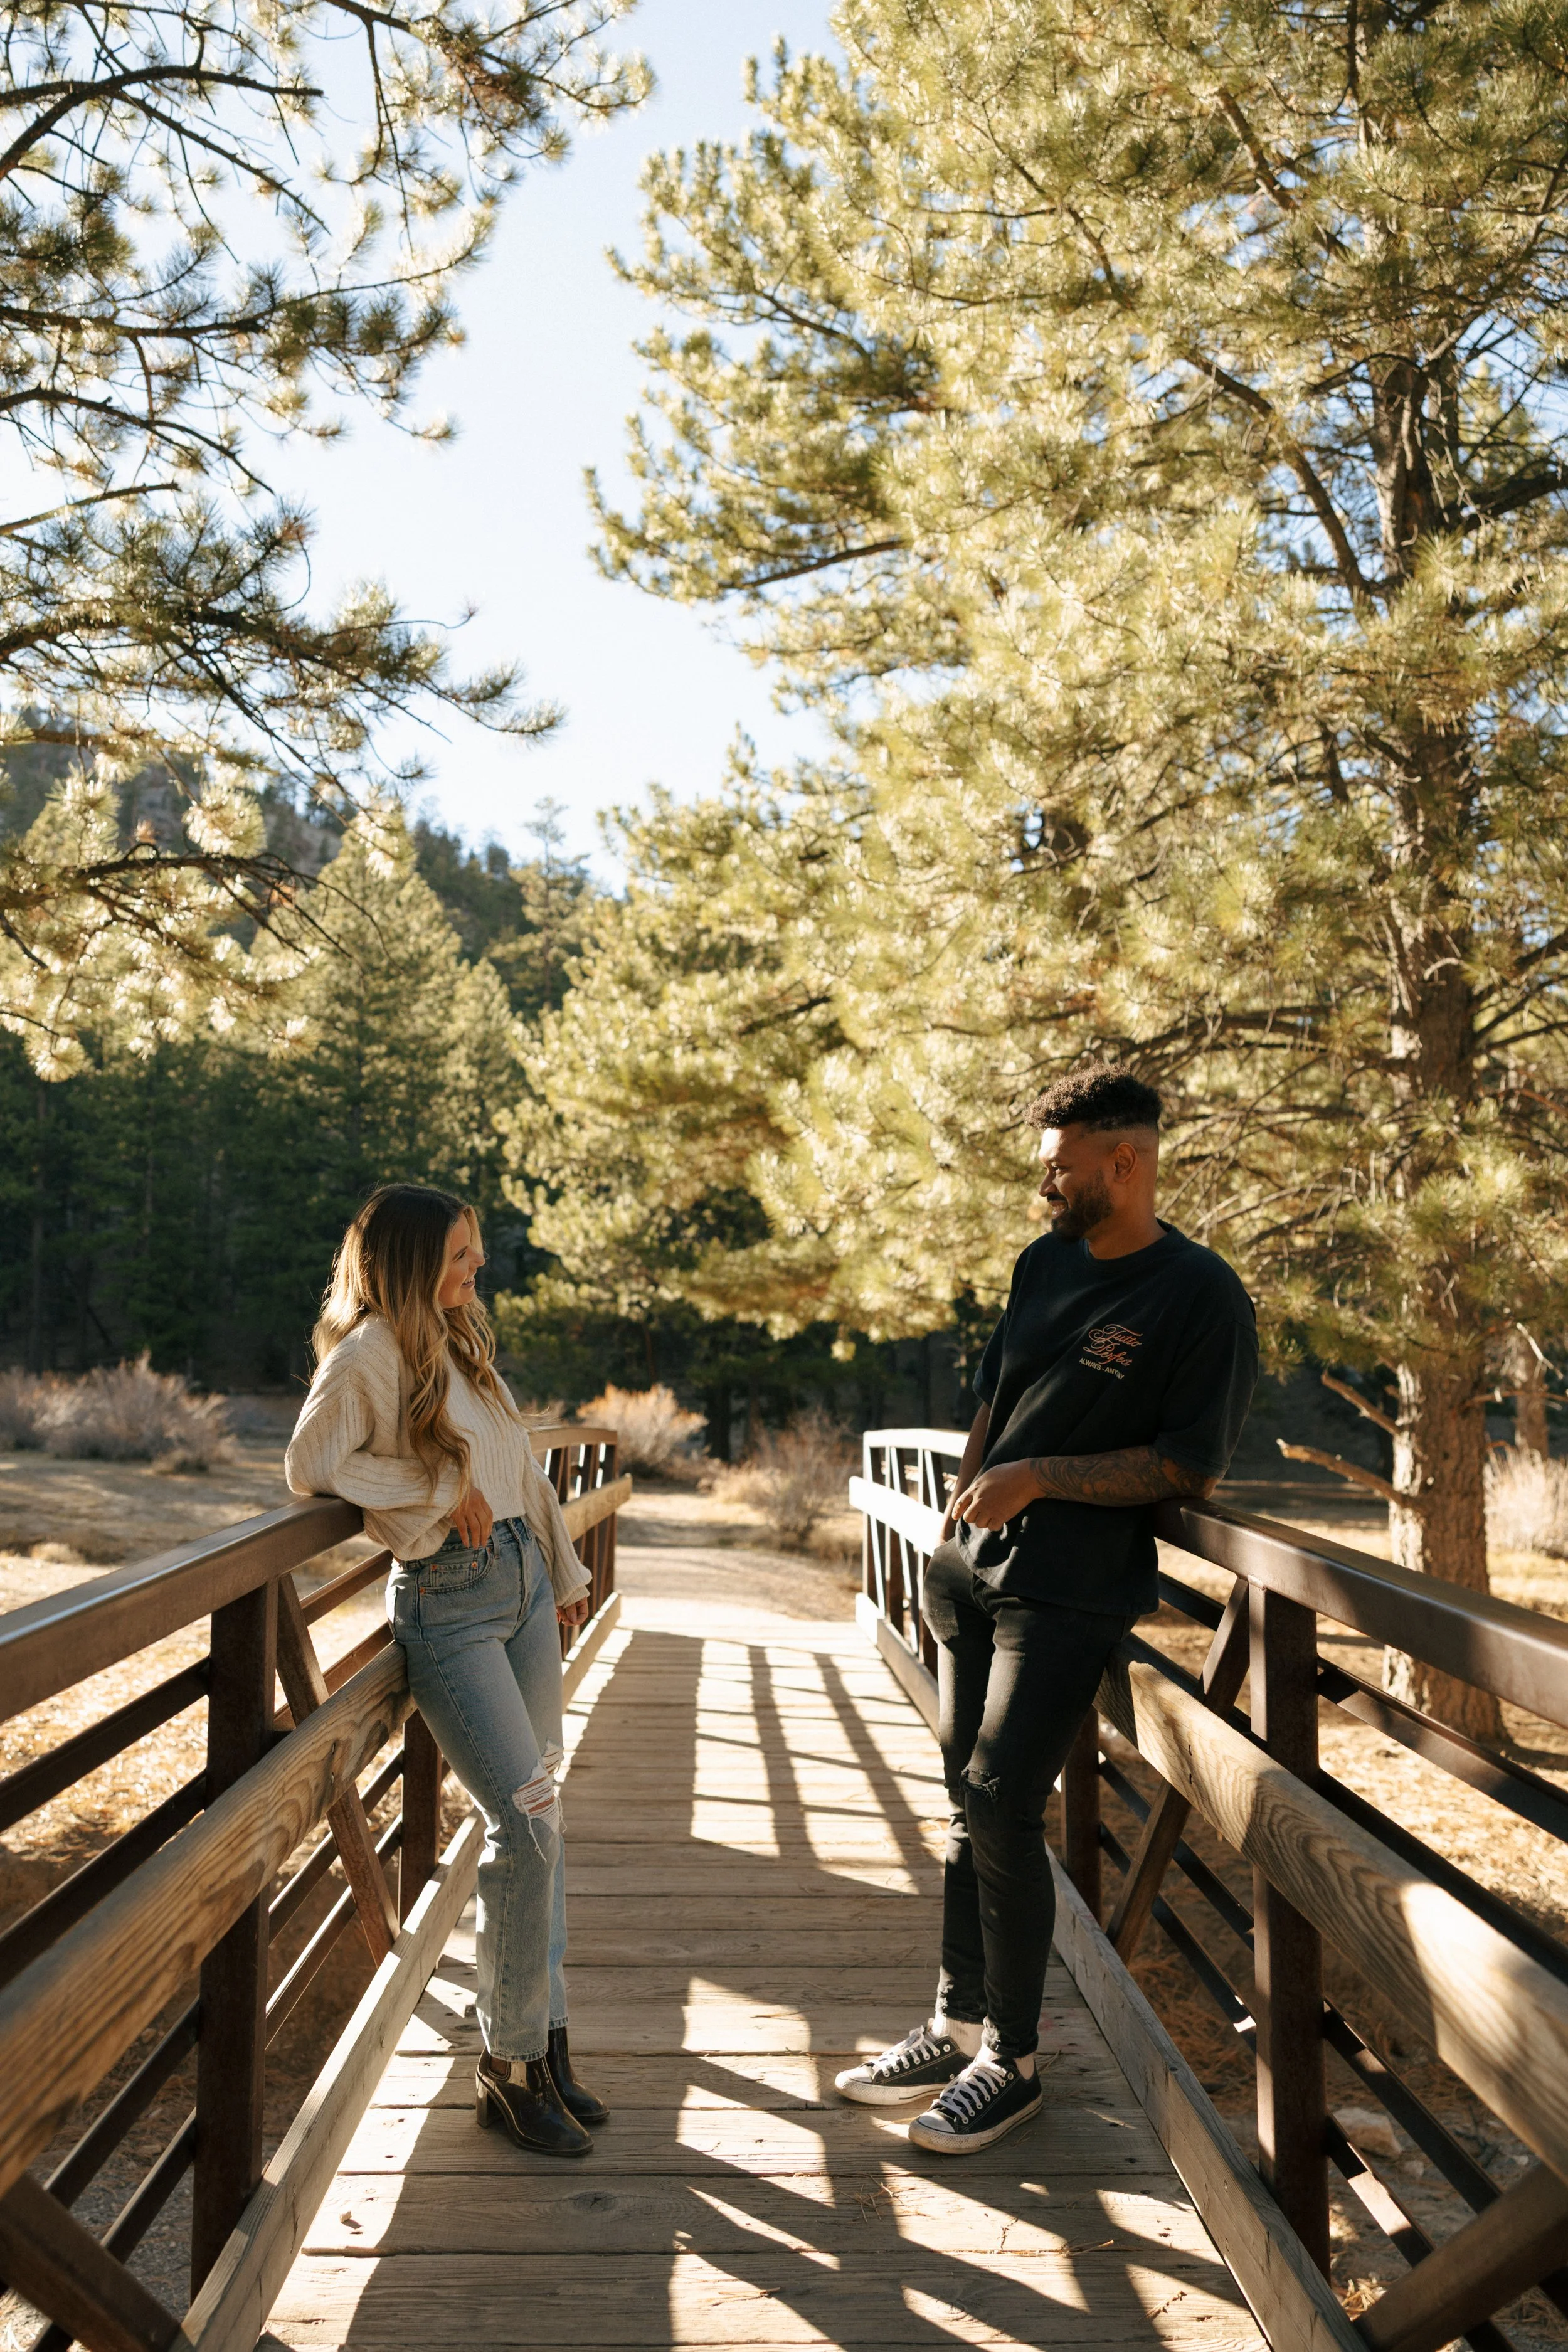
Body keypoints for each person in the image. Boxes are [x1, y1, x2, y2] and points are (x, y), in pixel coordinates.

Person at [837, 1066, 1258, 2153]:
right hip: (973, 1571)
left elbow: (1188, 1467)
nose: (1046, 1182)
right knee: (964, 1800)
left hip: (1070, 1587)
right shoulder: (1043, 1263)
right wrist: (957, 1514)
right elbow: (994, 1393)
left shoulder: (1200, 1296)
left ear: (1127, 1161)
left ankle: (1012, 2062)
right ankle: (955, 2017)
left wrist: (1037, 1480)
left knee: (997, 1792)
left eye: (1063, 1165)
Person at [285, 1182, 608, 2159]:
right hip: (450, 1605)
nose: (478, 1269)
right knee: (523, 1820)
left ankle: (544, 2043)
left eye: (476, 1252)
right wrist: (436, 1485)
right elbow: (308, 1465)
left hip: (516, 1592)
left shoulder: (460, 1342)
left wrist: (560, 1568)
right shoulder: (371, 1352)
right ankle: (507, 2070)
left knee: (546, 1818)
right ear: (415, 1260)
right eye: (462, 1254)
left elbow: (520, 1466)